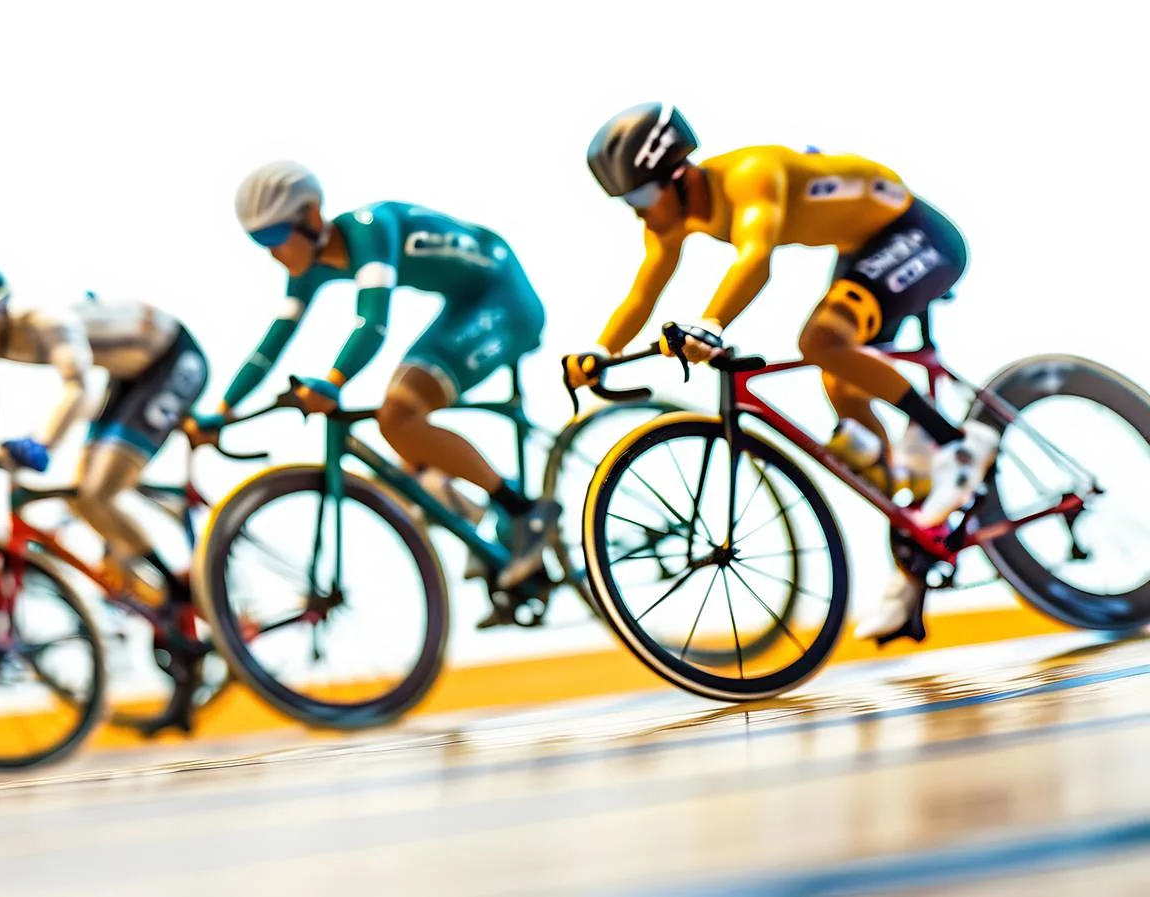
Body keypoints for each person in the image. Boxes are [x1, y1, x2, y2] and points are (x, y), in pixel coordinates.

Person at [573, 102, 999, 644]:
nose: (637, 213)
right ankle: (916, 547)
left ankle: (955, 445)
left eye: (639, 197)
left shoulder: (751, 176)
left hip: (917, 234)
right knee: (846, 401)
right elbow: (644, 290)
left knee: (821, 341)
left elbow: (756, 258)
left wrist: (710, 324)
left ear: (677, 176)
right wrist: (598, 351)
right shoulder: (670, 217)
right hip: (865, 248)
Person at [187, 161, 554, 602]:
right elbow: (271, 344)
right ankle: (478, 518)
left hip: (502, 298)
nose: (270, 252)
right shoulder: (310, 268)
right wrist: (222, 411)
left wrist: (333, 382)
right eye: (258, 241)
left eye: (273, 236)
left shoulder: (369, 229)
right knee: (405, 446)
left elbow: (373, 322)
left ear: (311, 216)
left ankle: (524, 513)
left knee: (398, 413)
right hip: (464, 305)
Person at [0, 262, 208, 610]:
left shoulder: (49, 323)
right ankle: (156, 597)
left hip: (171, 360)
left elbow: (76, 388)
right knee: (81, 497)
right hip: (128, 375)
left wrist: (41, 442)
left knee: (96, 493)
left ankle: (181, 595)